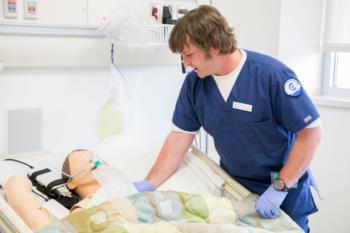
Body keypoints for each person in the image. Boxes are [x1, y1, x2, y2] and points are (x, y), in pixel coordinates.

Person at [136, 5, 322, 233]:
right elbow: (179, 138)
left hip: (283, 189)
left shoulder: (272, 76)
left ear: (213, 47)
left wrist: (279, 188)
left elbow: (310, 134)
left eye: (189, 54)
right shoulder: (196, 83)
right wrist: (149, 183)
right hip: (237, 190)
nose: (185, 63)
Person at [4, 149, 138, 230]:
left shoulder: (130, 190)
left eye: (96, 158)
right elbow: (43, 226)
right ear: (71, 182)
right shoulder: (90, 205)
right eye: (85, 161)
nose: (95, 160)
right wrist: (16, 187)